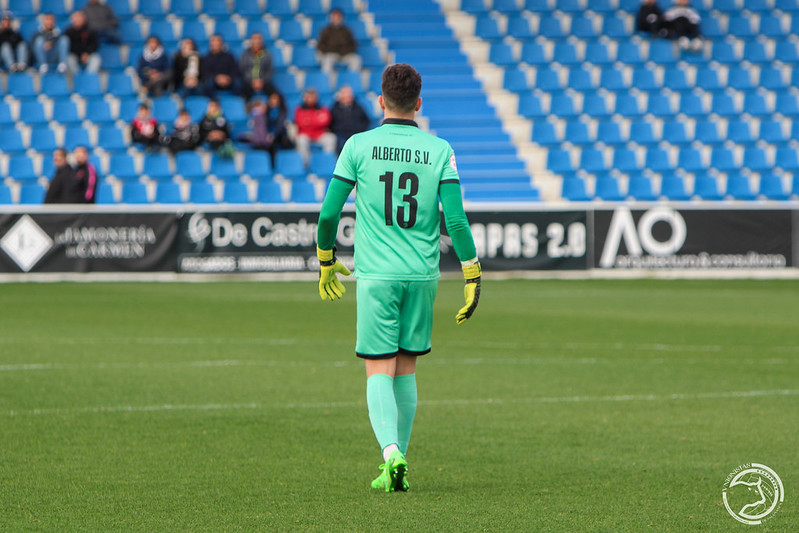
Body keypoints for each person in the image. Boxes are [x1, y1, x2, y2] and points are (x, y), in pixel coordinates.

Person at [315, 63, 481, 493]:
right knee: (405, 370)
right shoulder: (440, 149)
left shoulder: (358, 145)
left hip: (377, 277)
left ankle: (391, 452)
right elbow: (457, 222)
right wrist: (471, 272)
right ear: (419, 104)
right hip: (423, 276)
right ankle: (396, 466)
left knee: (377, 370)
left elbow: (329, 213)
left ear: (380, 101)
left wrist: (325, 259)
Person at [238, 92, 291, 165]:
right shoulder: (263, 113)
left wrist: (273, 135)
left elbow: (279, 126)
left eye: (276, 99)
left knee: (272, 146)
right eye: (272, 99)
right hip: (264, 137)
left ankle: (273, 165)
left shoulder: (281, 112)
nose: (273, 101)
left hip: (277, 137)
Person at [294, 87, 337, 165]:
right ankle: (306, 164)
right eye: (308, 97)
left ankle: (326, 163)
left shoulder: (323, 108)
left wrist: (309, 121)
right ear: (305, 98)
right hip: (305, 134)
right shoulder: (299, 109)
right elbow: (300, 123)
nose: (310, 99)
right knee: (301, 140)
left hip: (319, 133)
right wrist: (316, 120)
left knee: (331, 138)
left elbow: (326, 121)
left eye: (312, 97)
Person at [316, 8, 361, 73]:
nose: (336, 19)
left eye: (338, 17)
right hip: (331, 54)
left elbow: (353, 44)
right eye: (334, 17)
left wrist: (345, 51)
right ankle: (327, 81)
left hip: (345, 54)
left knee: (356, 60)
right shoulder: (325, 31)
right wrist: (332, 50)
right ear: (331, 18)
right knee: (326, 62)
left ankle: (351, 80)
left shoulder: (347, 30)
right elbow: (320, 45)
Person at [330, 85, 371, 153]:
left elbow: (366, 121)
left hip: (356, 134)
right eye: (344, 94)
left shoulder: (358, 107)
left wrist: (360, 130)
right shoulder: (334, 108)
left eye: (348, 94)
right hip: (341, 134)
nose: (347, 96)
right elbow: (331, 123)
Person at [240, 32, 275, 101]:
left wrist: (262, 81)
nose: (257, 41)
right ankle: (245, 109)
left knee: (275, 95)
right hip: (249, 82)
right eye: (255, 39)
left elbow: (269, 70)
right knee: (243, 94)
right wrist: (252, 81)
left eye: (259, 39)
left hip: (263, 82)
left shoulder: (267, 54)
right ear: (251, 41)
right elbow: (242, 69)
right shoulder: (245, 54)